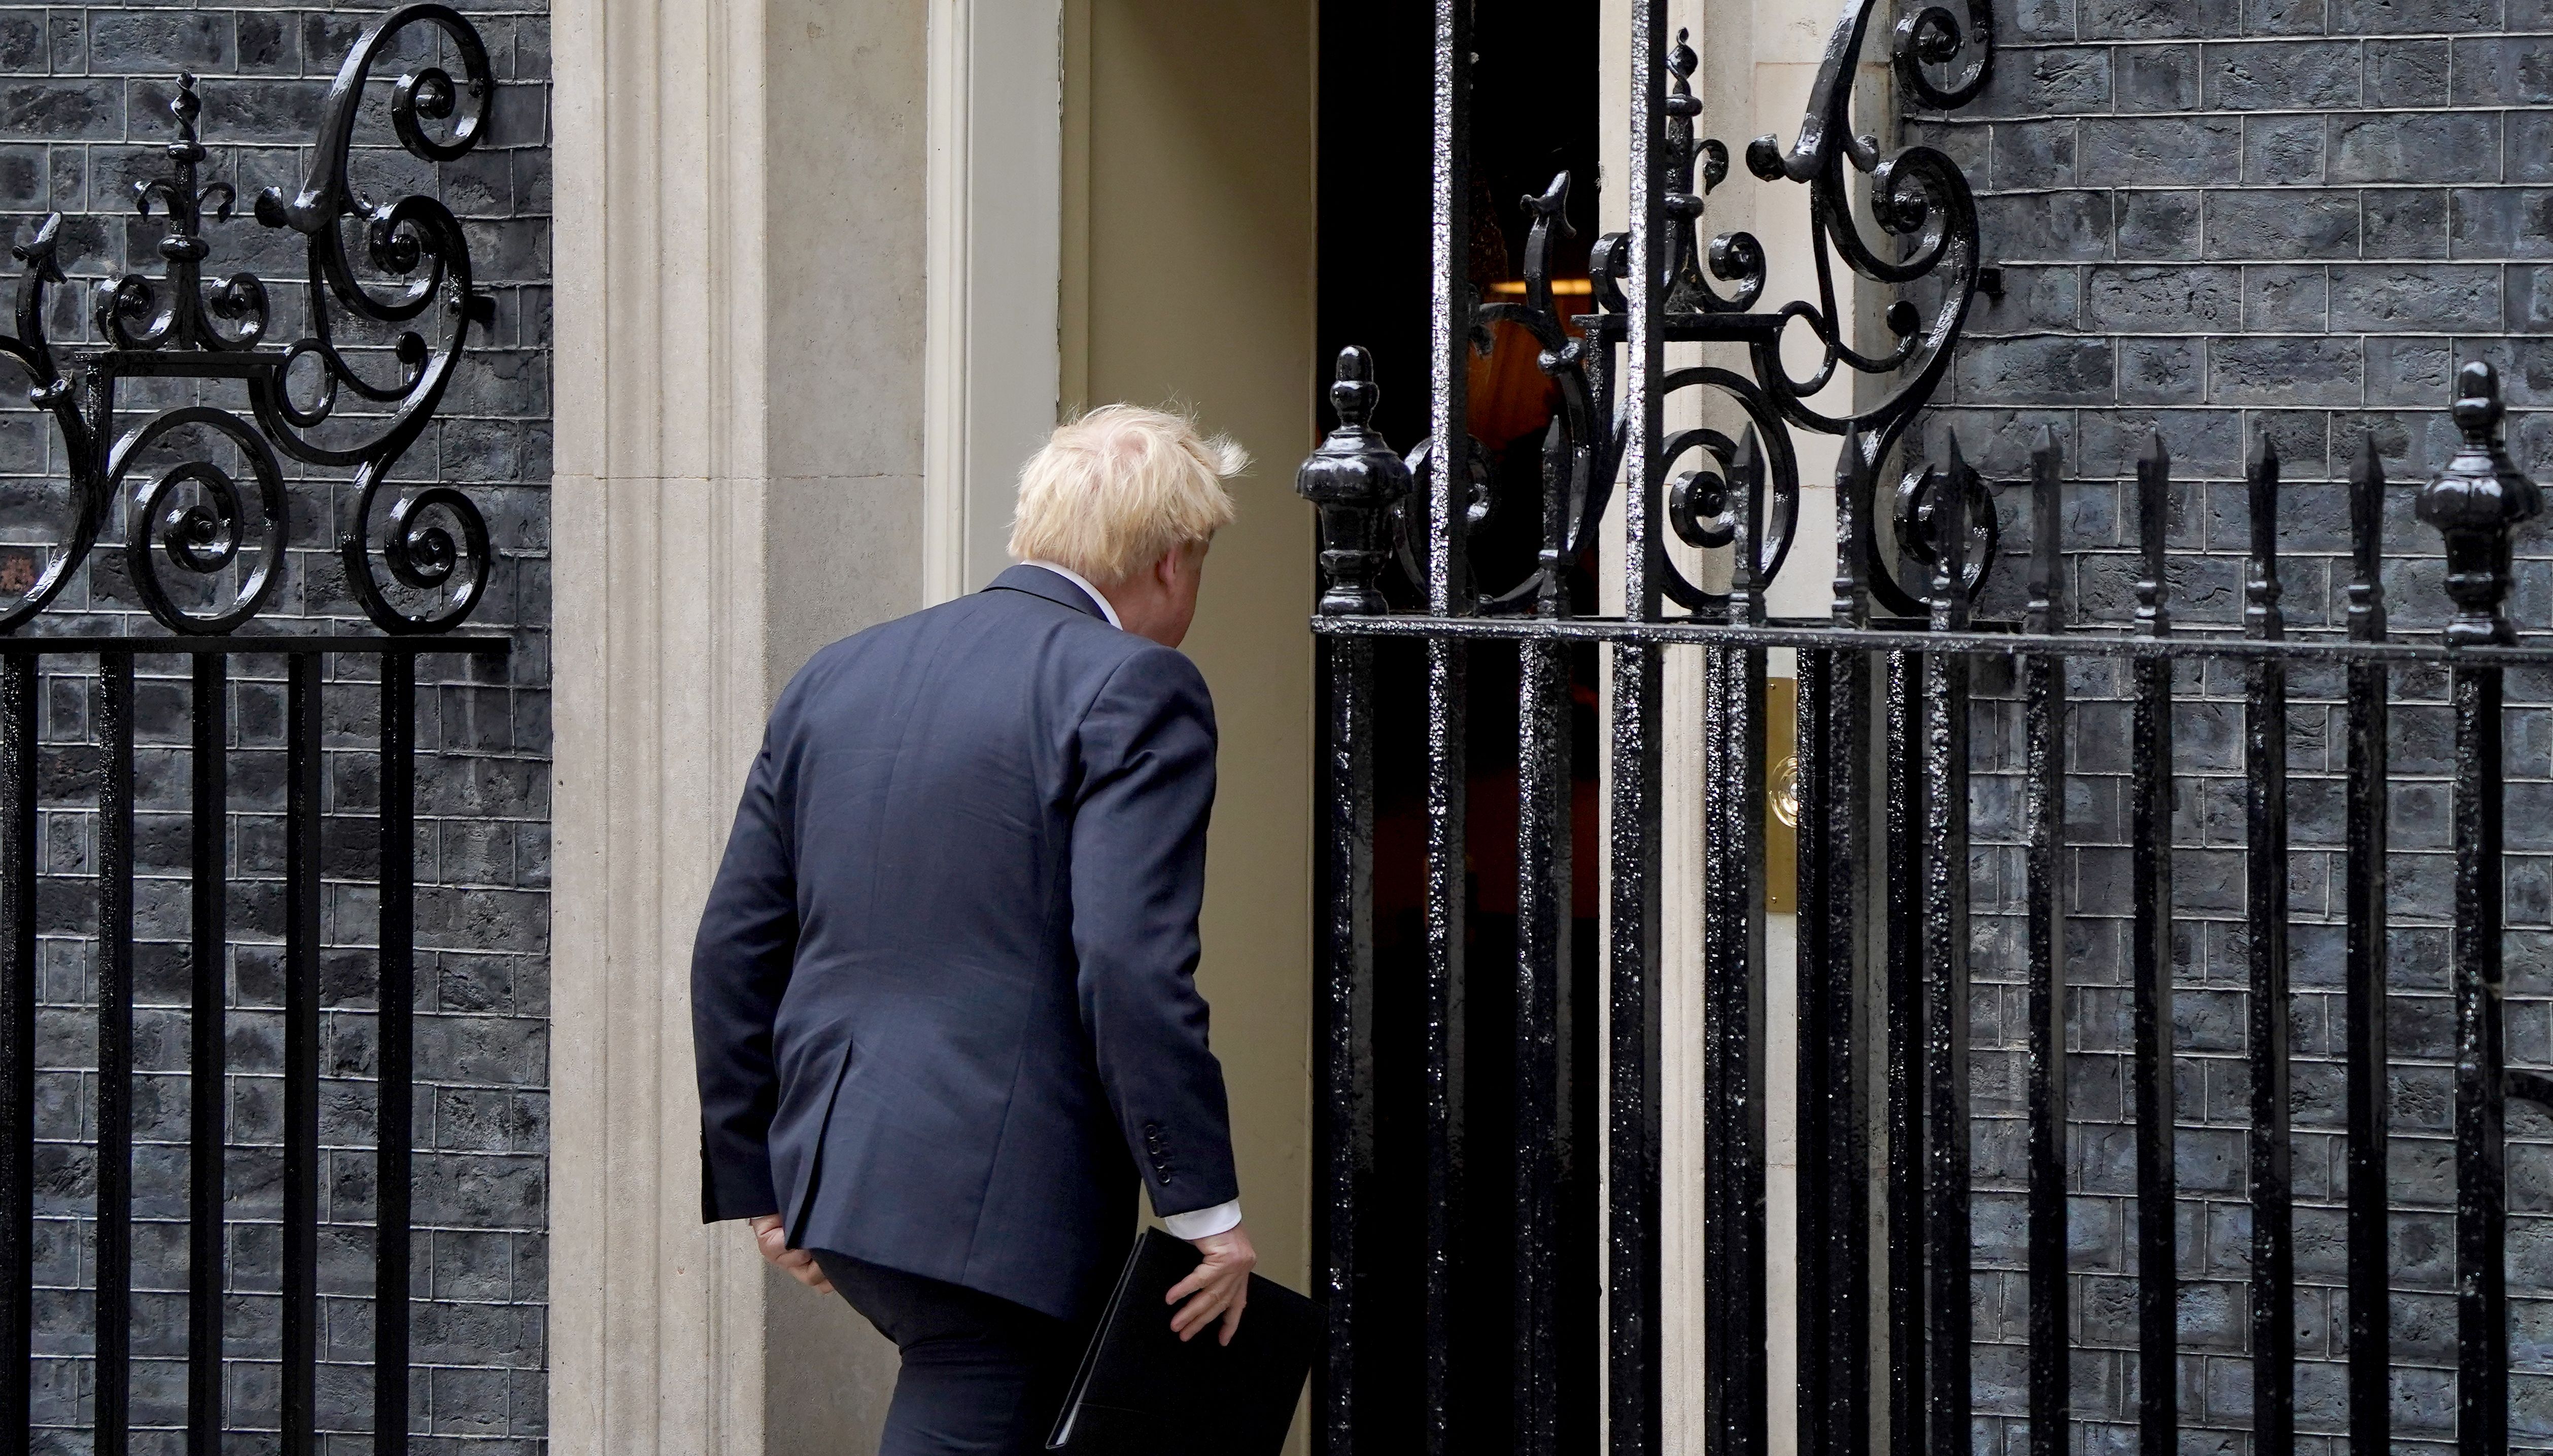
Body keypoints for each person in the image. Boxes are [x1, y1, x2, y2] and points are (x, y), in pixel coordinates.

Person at [691, 404, 1259, 1456]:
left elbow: (733, 945)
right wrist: (1203, 1211)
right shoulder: (1136, 685)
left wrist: (762, 1176)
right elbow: (1130, 966)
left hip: (842, 1173)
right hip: (998, 1213)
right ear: (1176, 562)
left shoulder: (839, 673)